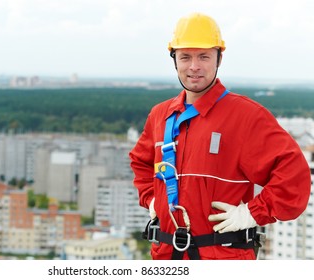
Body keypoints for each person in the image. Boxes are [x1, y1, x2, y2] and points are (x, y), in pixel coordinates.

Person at [129, 12, 311, 260]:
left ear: (219, 59)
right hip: (165, 256)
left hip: (223, 257)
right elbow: (140, 162)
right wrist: (152, 199)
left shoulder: (246, 116)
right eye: (185, 57)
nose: (194, 66)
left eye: (204, 56)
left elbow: (294, 176)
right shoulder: (161, 115)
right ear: (175, 60)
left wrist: (252, 213)